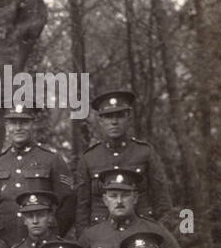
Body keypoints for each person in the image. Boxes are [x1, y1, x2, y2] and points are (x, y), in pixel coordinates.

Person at [73, 90, 171, 234]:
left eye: (119, 116)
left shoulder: (145, 153)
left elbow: (162, 202)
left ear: (128, 119)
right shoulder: (89, 159)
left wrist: (159, 236)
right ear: (100, 121)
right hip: (101, 237)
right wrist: (85, 243)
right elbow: (82, 209)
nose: (114, 122)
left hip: (142, 233)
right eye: (108, 117)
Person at [78, 168, 189, 248]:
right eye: (113, 196)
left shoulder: (155, 231)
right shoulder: (90, 236)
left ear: (135, 198)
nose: (119, 201)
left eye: (125, 195)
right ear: (105, 200)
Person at [0, 105, 73, 246]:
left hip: (43, 243)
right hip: (7, 241)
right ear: (7, 126)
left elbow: (67, 204)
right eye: (13, 123)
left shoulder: (51, 160)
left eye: (24, 122)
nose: (18, 128)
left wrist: (53, 236)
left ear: (32, 124)